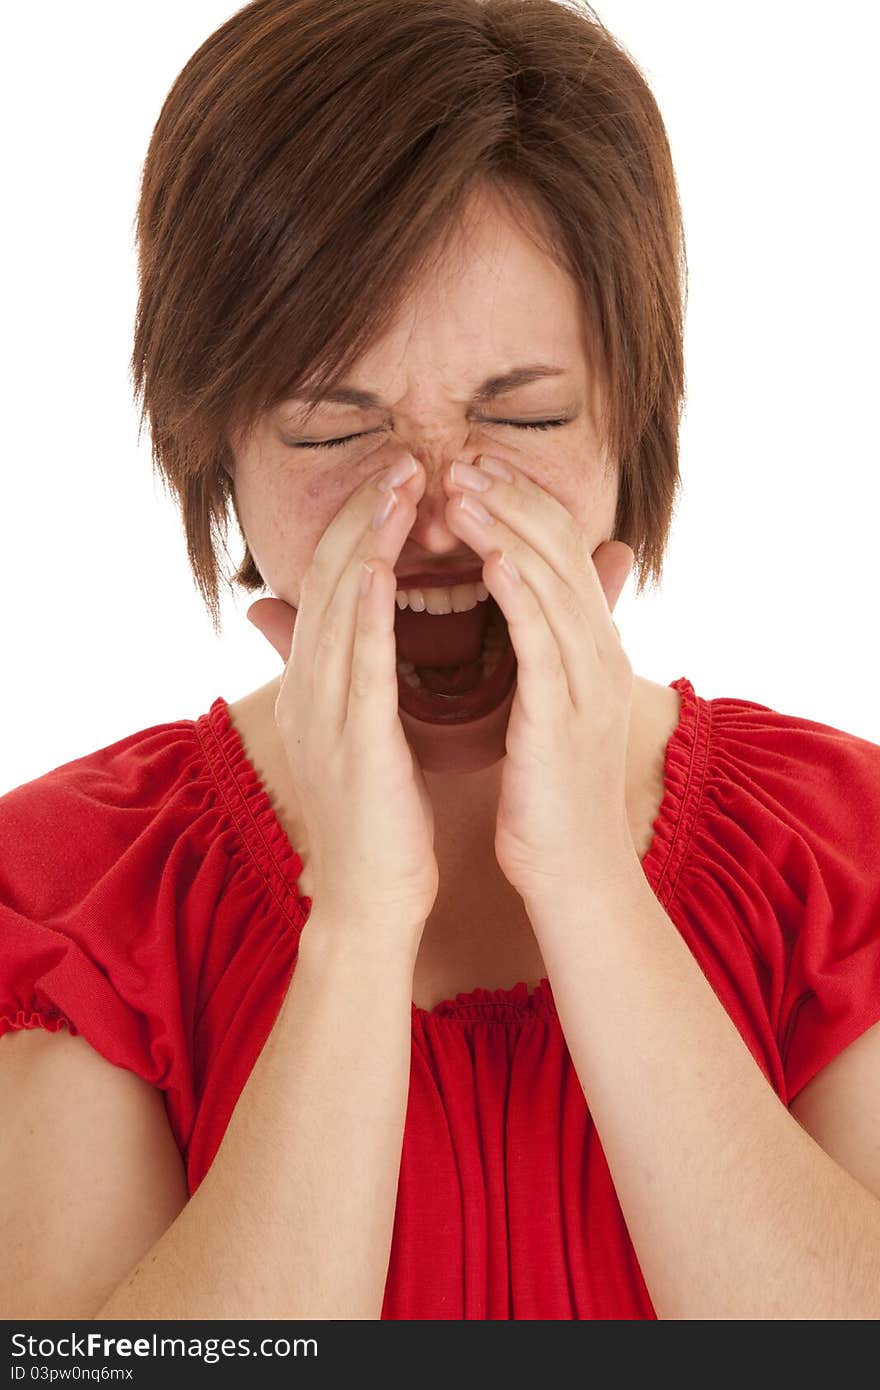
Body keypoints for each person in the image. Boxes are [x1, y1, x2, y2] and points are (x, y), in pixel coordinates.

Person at [2, 0, 879, 1323]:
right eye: (327, 427)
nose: (428, 507)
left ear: (629, 424)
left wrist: (588, 886)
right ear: (217, 454)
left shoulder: (845, 853)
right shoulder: (73, 895)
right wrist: (356, 923)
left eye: (522, 414)